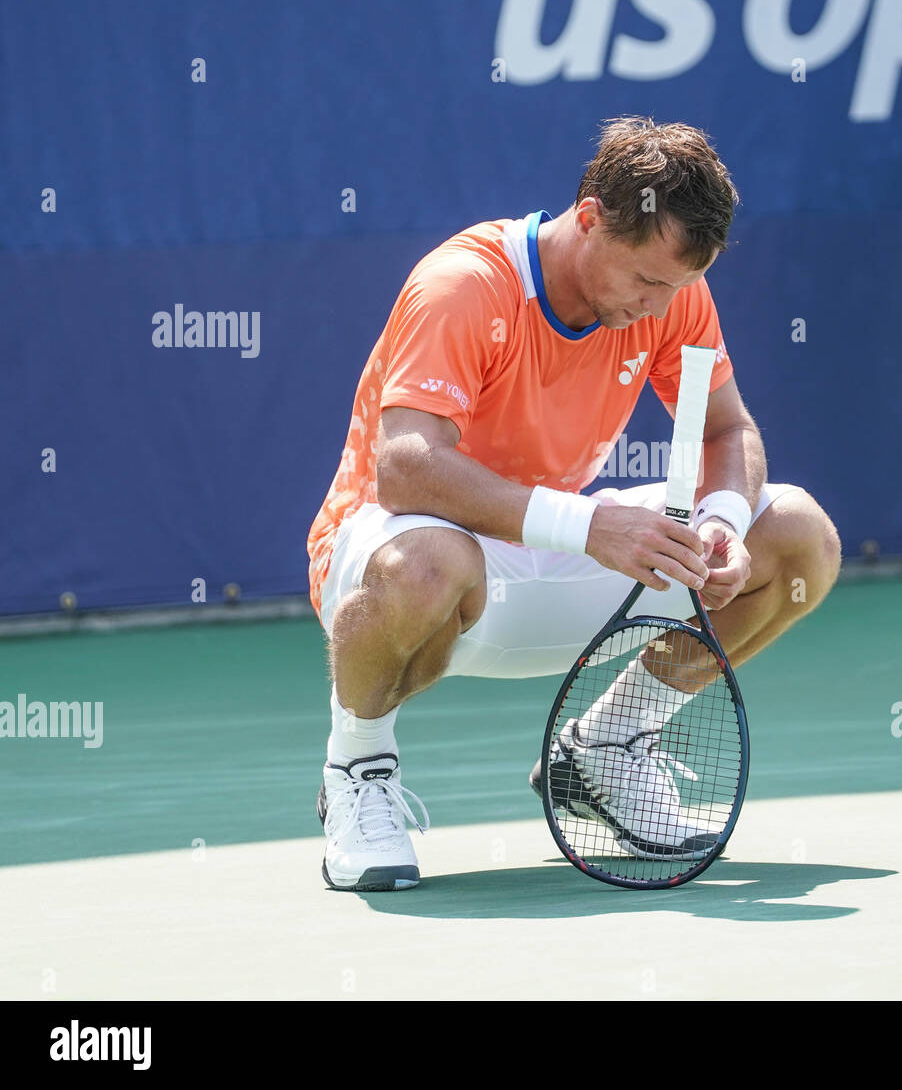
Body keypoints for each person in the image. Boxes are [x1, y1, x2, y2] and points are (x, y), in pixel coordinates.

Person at [305, 117, 841, 890]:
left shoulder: (675, 296)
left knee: (797, 535)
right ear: (590, 216)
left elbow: (729, 430)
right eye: (648, 282)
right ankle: (358, 768)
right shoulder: (465, 285)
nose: (661, 308)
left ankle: (607, 751)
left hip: (546, 550)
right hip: (394, 556)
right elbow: (406, 471)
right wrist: (589, 524)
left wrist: (722, 525)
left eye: (680, 287)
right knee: (429, 562)